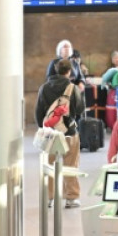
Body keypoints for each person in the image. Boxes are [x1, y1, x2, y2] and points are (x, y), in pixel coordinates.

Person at [35, 58, 85, 207]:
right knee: (71, 164)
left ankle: (49, 197)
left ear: (55, 70)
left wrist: (43, 127)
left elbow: (38, 112)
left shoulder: (44, 88)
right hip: (69, 132)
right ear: (69, 71)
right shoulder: (72, 88)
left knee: (50, 165)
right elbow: (80, 109)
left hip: (50, 132)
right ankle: (72, 197)